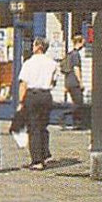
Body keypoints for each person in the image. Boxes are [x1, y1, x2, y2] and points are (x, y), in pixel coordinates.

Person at [16, 38, 60, 170]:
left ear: (37, 47)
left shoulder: (28, 63)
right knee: (43, 125)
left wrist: (20, 102)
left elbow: (23, 84)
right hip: (46, 95)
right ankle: (44, 154)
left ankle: (37, 160)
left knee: (33, 127)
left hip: (33, 95)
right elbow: (54, 81)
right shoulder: (52, 63)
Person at [61, 34, 87, 130]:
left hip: (69, 81)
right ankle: (64, 115)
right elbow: (76, 69)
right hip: (74, 82)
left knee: (76, 102)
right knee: (79, 103)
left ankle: (77, 123)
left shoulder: (70, 54)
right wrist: (80, 82)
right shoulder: (76, 55)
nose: (84, 45)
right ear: (79, 42)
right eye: (83, 43)